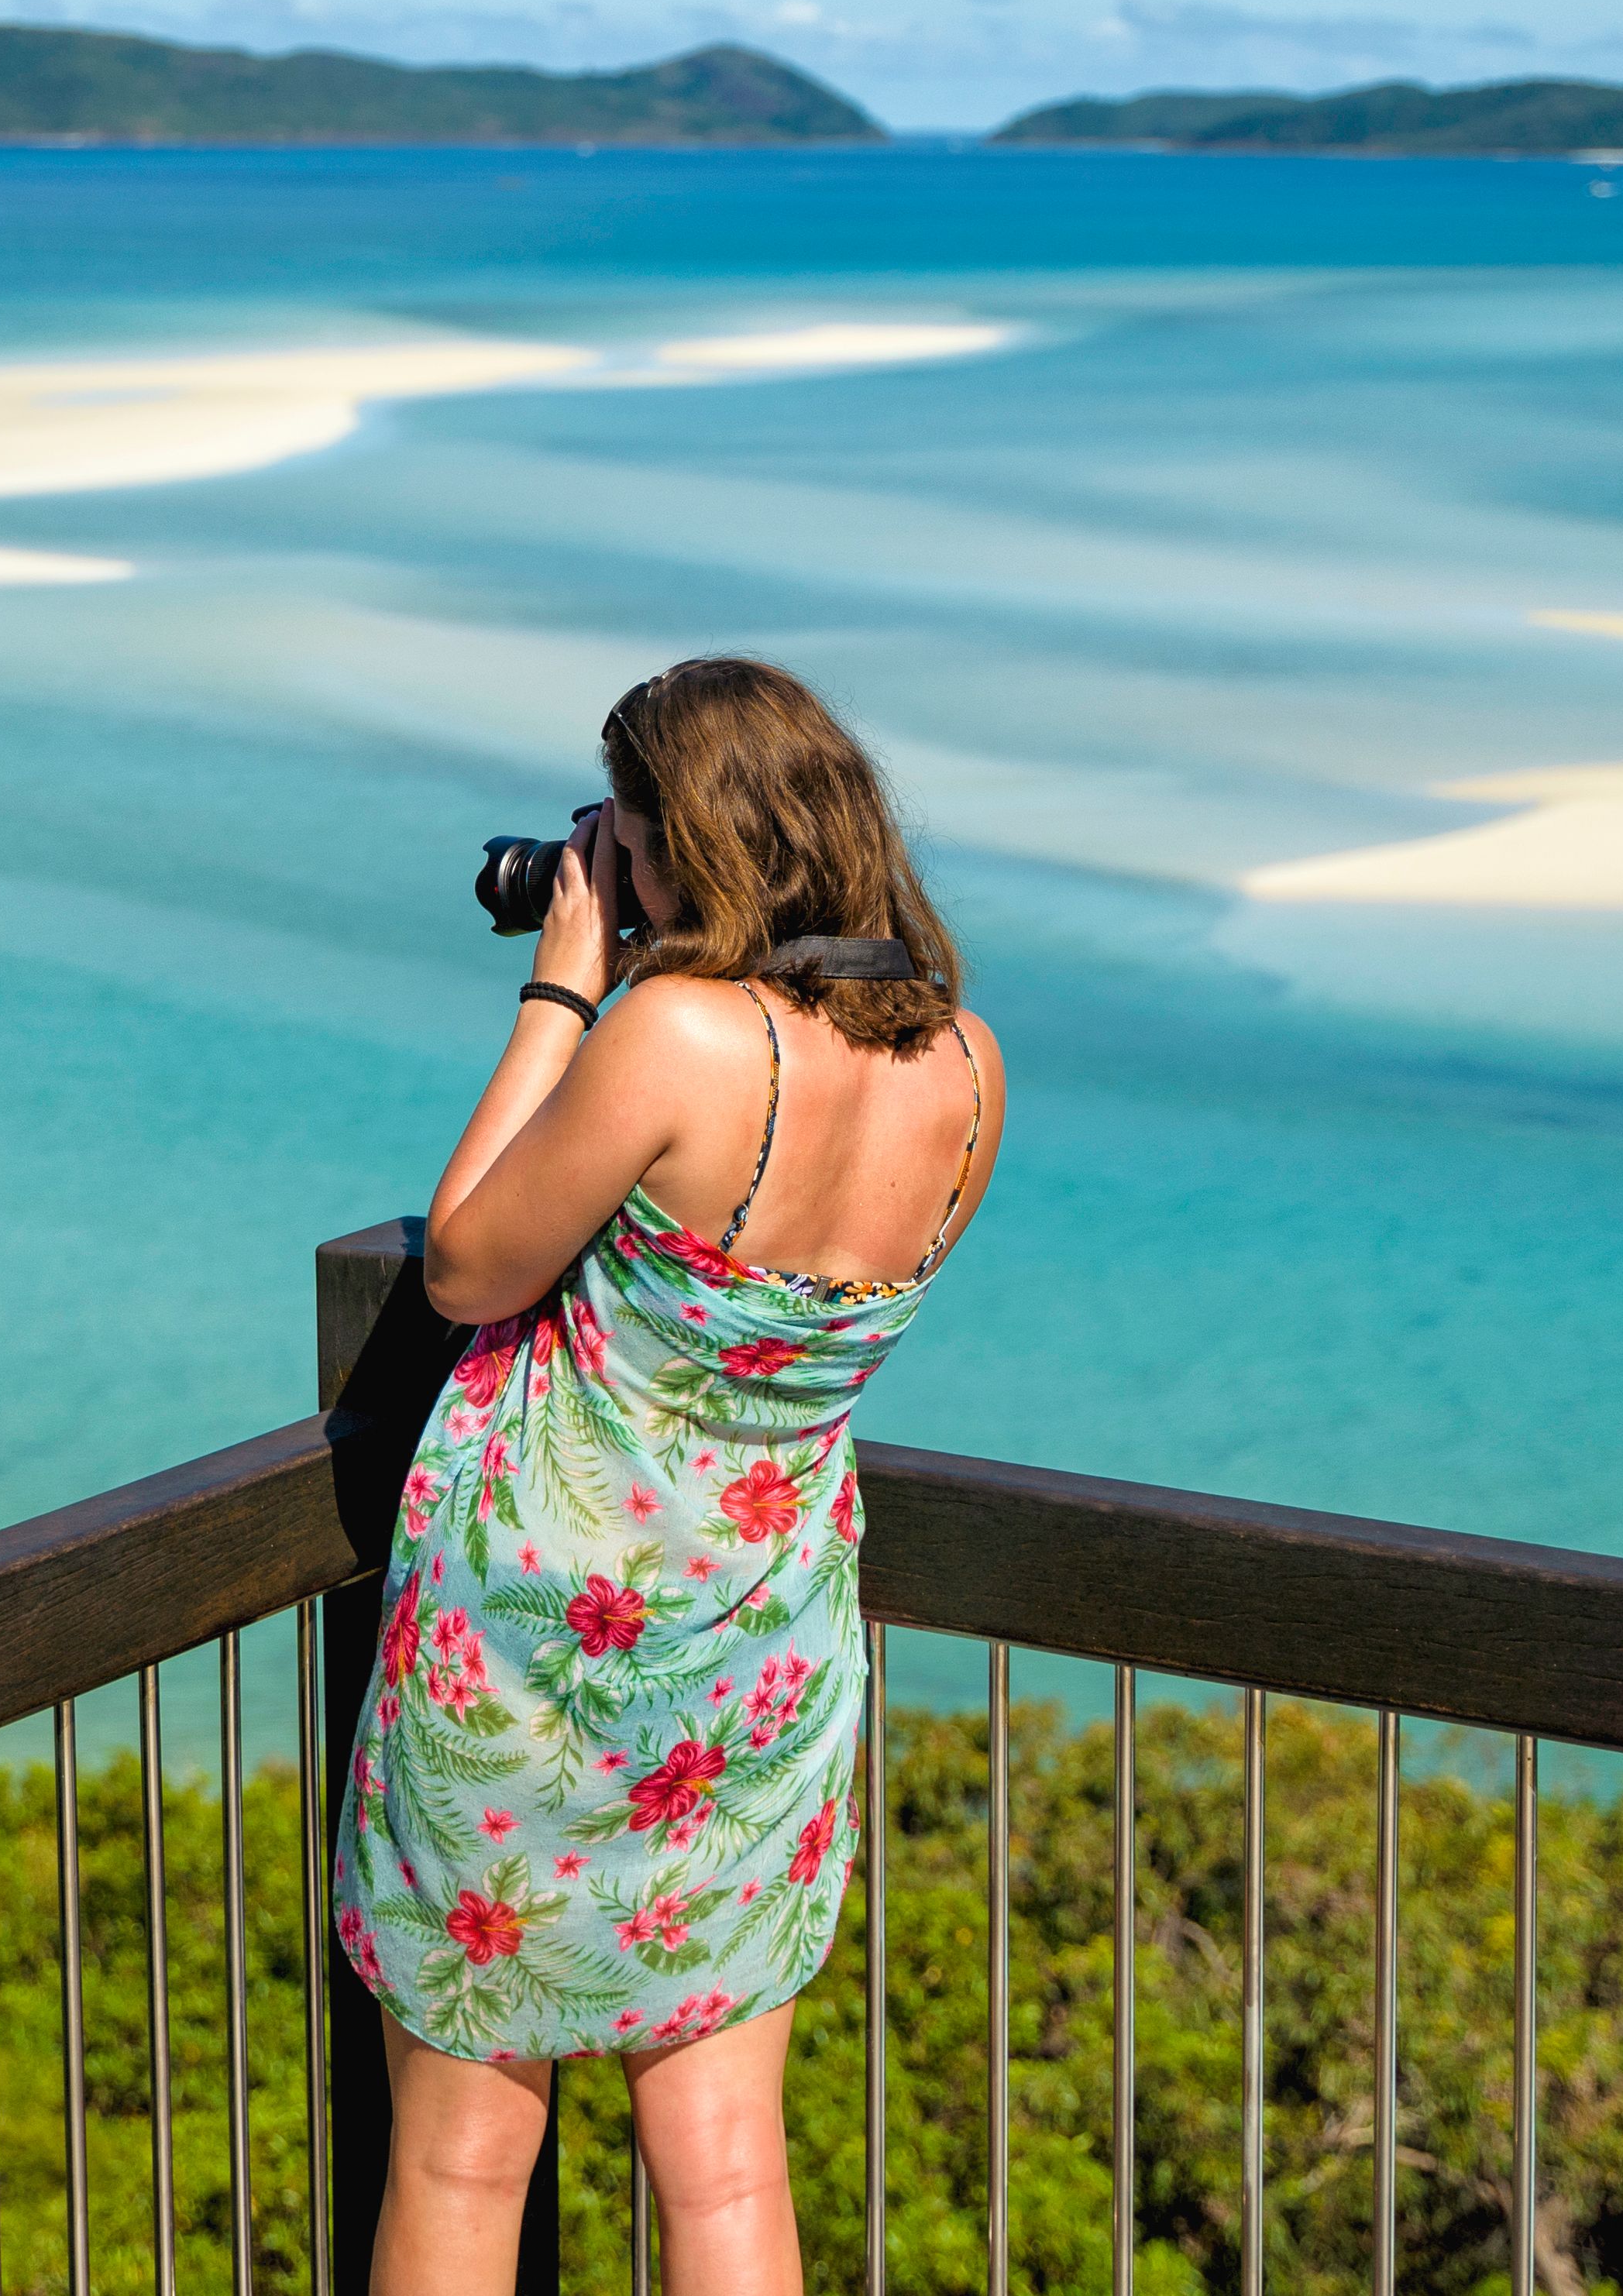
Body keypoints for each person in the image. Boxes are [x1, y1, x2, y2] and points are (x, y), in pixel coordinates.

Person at [330, 656, 1006, 2296]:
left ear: (672, 844)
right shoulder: (965, 1063)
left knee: (464, 2148)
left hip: (536, 1649)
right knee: (720, 2168)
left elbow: (472, 1261)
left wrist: (565, 989)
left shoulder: (676, 1031)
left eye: (618, 833)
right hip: (757, 1648)